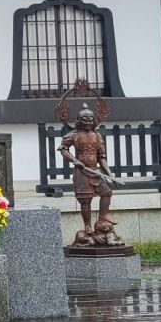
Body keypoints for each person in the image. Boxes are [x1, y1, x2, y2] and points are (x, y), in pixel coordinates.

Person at [59, 105, 123, 246]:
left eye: (90, 119)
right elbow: (63, 149)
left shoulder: (97, 136)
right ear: (79, 121)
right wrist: (75, 161)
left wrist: (109, 174)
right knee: (85, 201)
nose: (88, 122)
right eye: (84, 120)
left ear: (94, 121)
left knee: (107, 192)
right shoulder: (74, 135)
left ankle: (103, 215)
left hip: (95, 170)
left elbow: (101, 157)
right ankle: (87, 224)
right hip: (81, 172)